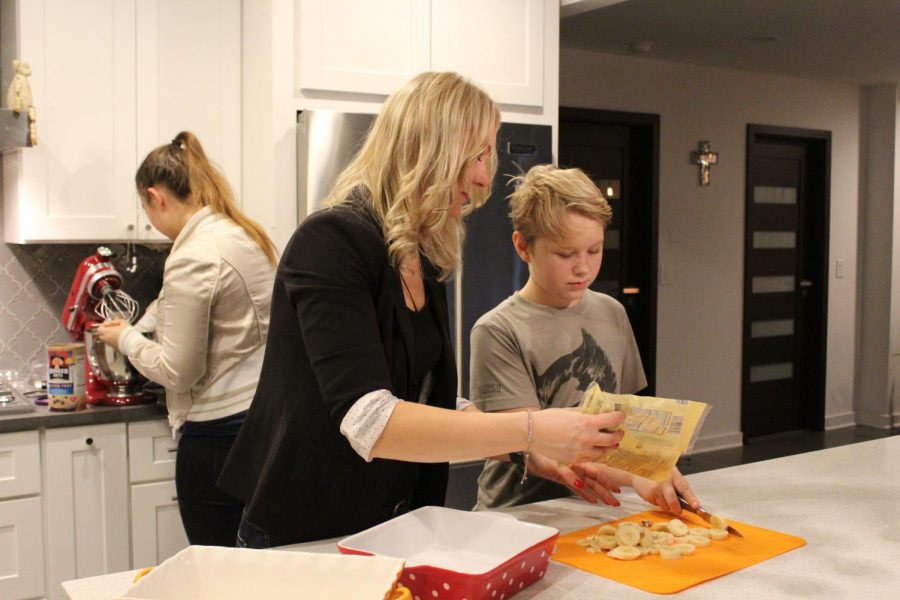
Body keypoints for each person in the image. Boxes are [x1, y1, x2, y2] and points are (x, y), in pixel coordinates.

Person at [217, 72, 626, 548]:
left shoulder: (419, 253)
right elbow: (371, 420)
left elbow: (422, 397)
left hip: (389, 523)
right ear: (423, 149)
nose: (481, 177)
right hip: (306, 529)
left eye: (486, 156)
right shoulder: (331, 241)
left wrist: (526, 450)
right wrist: (532, 430)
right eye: (474, 155)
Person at [470, 164, 699, 513]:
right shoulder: (498, 330)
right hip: (518, 514)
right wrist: (638, 475)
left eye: (594, 250)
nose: (583, 268)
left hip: (595, 509)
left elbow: (625, 422)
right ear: (523, 247)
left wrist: (655, 459)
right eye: (565, 254)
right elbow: (528, 444)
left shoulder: (612, 313)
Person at [95, 131, 277, 547]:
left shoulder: (193, 254)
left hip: (220, 437)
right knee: (256, 567)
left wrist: (124, 338)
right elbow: (180, 303)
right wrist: (142, 324)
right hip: (263, 423)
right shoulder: (239, 232)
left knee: (216, 571)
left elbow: (178, 371)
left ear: (155, 196)